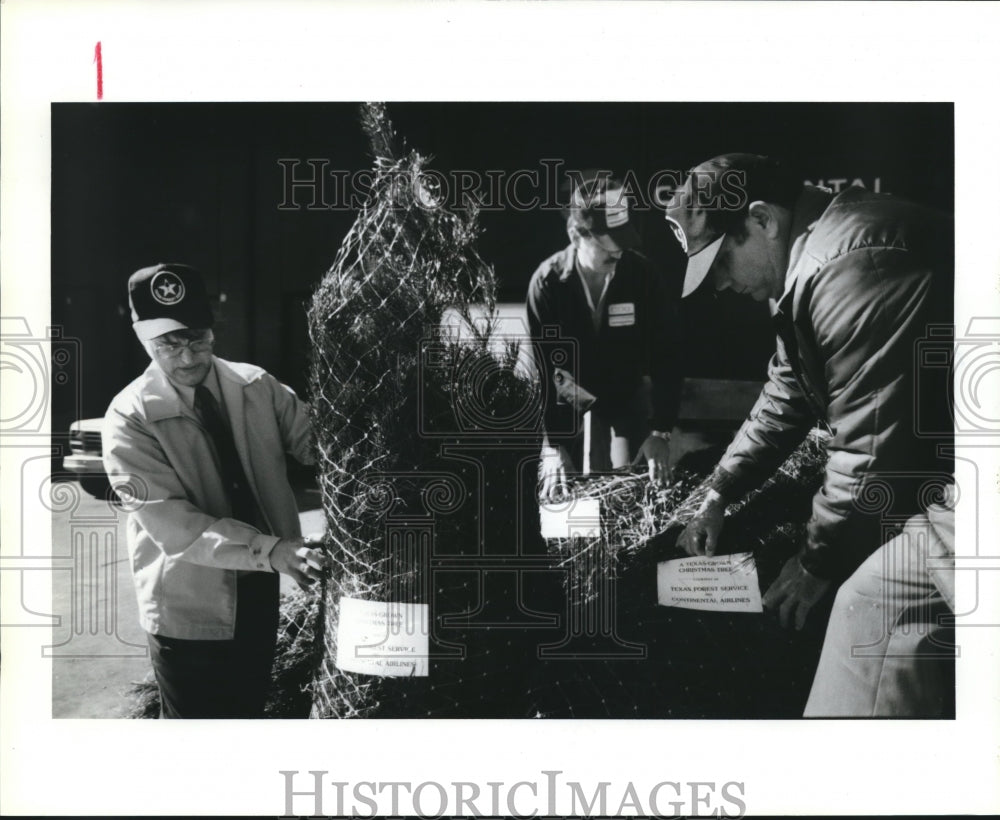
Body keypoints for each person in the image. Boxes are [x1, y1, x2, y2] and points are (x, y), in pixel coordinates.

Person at [667, 154, 954, 715]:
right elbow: (787, 395)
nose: (722, 284)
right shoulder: (824, 254)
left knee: (869, 608)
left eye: (722, 258)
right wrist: (721, 489)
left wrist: (816, 563)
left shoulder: (848, 265)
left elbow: (869, 448)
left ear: (762, 220)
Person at [103, 263, 328, 718]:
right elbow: (174, 526)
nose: (187, 358)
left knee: (246, 714)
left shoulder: (257, 387)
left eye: (197, 339)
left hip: (258, 593)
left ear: (212, 331)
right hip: (187, 603)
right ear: (143, 339)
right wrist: (274, 551)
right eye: (169, 344)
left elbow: (318, 445)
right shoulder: (130, 418)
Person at [526, 173, 682, 501]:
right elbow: (545, 371)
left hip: (625, 393)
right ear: (576, 234)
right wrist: (552, 445)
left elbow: (668, 354)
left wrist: (661, 432)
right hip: (569, 397)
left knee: (632, 489)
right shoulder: (548, 284)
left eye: (623, 245)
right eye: (609, 248)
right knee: (564, 489)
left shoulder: (643, 276)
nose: (618, 257)